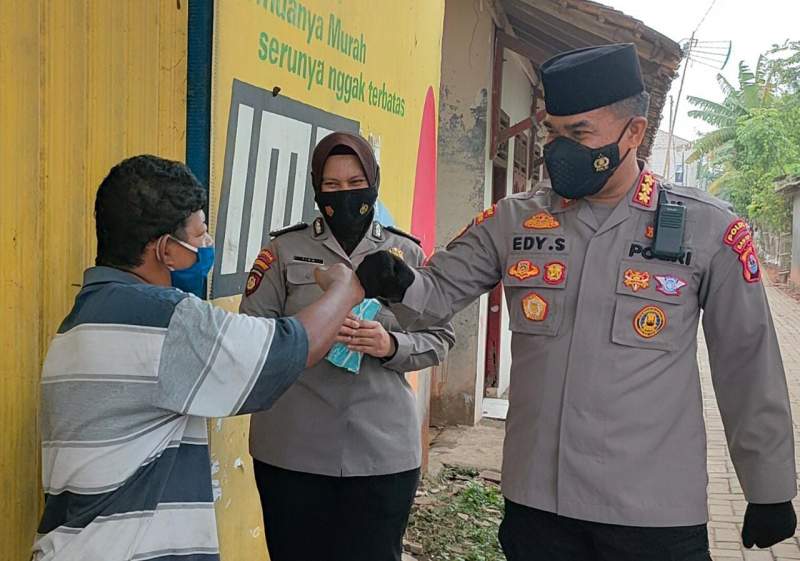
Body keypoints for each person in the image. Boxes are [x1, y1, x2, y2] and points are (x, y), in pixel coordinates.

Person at [356, 44, 797, 560]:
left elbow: (747, 362)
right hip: (540, 506)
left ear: (633, 132)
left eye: (579, 134)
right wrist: (397, 281)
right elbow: (436, 294)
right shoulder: (514, 220)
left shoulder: (707, 229)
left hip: (652, 513)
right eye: (552, 133)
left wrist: (768, 486)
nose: (559, 149)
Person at [32, 155, 363, 561]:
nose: (207, 244)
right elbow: (288, 349)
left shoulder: (83, 320)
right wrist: (345, 290)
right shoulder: (164, 320)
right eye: (201, 233)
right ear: (167, 250)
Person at [239, 132, 455, 561]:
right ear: (317, 188)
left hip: (381, 451)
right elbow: (252, 334)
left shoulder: (406, 253)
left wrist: (390, 344)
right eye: (332, 185)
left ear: (374, 182)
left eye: (356, 183)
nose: (345, 195)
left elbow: (440, 336)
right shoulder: (284, 250)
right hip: (293, 448)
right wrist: (308, 331)